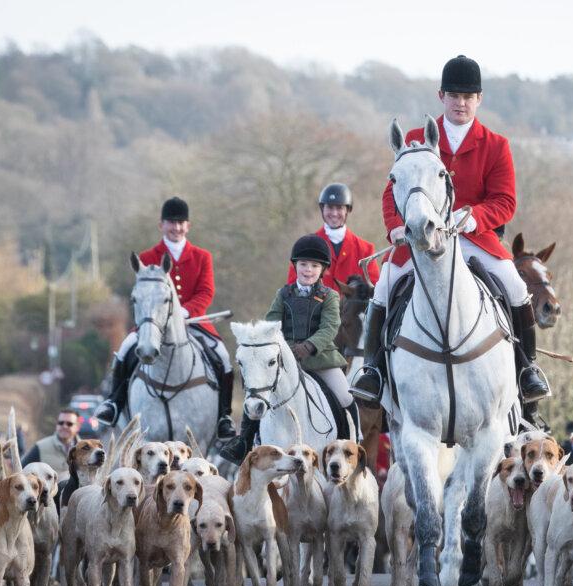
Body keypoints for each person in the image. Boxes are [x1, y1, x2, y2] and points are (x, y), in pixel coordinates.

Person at [349, 54, 550, 418]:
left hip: (474, 237)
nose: (461, 103)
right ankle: (374, 371)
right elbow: (391, 190)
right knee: (385, 285)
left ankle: (527, 369)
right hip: (422, 239)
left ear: (479, 99)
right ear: (441, 95)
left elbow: (505, 201)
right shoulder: (414, 139)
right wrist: (395, 224)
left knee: (515, 285)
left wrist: (474, 217)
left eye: (468, 96)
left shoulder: (496, 145)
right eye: (454, 95)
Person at [94, 197, 235, 440]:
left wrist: (185, 311)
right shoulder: (148, 257)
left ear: (188, 226)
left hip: (193, 321)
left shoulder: (202, 256)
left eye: (181, 223)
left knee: (223, 356)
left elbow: (206, 291)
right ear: (161, 225)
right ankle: (114, 403)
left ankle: (224, 416)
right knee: (126, 350)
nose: (176, 227)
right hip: (152, 323)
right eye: (171, 222)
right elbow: (141, 293)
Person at [221, 234, 361, 463]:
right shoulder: (283, 294)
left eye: (314, 266)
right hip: (286, 361)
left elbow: (330, 327)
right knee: (257, 393)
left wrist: (309, 346)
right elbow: (271, 325)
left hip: (321, 360)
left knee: (346, 397)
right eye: (304, 264)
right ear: (295, 265)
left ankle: (351, 444)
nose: (308, 270)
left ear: (322, 269)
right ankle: (243, 442)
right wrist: (284, 348)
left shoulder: (330, 296)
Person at [285, 183, 381, 290]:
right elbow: (292, 288)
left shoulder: (366, 250)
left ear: (347, 210)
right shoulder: (305, 246)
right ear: (322, 209)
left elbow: (374, 292)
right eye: (330, 207)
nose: (334, 213)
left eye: (339, 208)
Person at [20, 408, 80, 472]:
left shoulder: (87, 450)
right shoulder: (40, 447)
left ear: (77, 427)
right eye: (61, 423)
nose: (64, 426)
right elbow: (21, 470)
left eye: (69, 424)